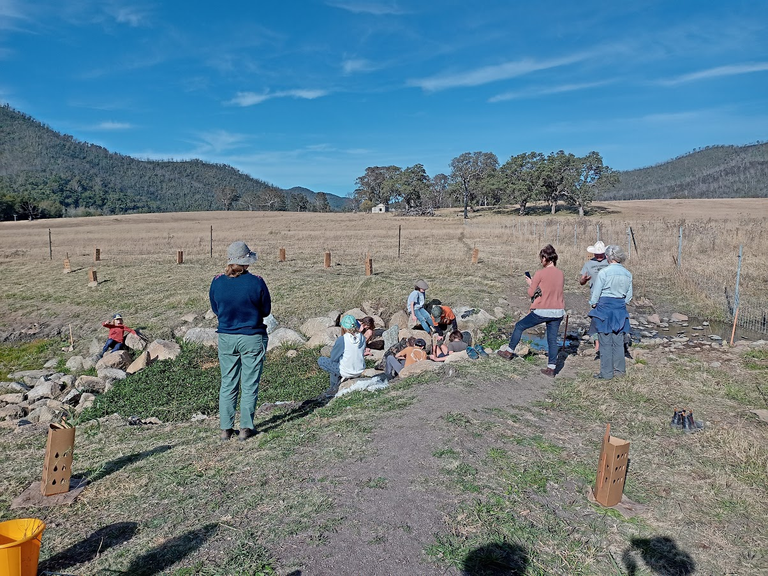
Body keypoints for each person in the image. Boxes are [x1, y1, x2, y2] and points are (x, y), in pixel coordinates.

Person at [209, 241, 271, 442]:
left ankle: (226, 429)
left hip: (227, 336)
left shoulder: (217, 282)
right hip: (252, 336)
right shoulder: (257, 282)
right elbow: (266, 310)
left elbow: (216, 308)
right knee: (250, 382)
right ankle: (245, 428)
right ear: (246, 261)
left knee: (228, 382)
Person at [497, 244, 565, 378]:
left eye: (541, 258)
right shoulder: (561, 273)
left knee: (519, 326)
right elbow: (551, 289)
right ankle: (551, 368)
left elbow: (531, 293)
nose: (541, 261)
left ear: (545, 258)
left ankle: (509, 352)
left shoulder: (540, 273)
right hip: (558, 311)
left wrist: (531, 283)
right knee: (552, 339)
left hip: (543, 310)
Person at [589, 245, 633, 380]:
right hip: (620, 308)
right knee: (619, 341)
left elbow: (596, 293)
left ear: (608, 257)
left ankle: (606, 373)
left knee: (605, 341)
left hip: (604, 308)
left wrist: (593, 304)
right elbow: (629, 297)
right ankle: (620, 372)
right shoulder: (627, 273)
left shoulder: (604, 272)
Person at [318, 314, 367, 397]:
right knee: (337, 364)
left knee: (322, 360)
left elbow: (333, 357)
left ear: (344, 327)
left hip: (346, 371)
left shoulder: (342, 339)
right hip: (359, 370)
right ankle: (335, 385)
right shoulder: (362, 337)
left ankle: (333, 387)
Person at [579, 241, 609, 359]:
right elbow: (581, 282)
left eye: (601, 254)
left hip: (608, 295)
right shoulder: (588, 264)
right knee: (595, 320)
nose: (599, 256)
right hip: (595, 296)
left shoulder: (610, 262)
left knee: (607, 319)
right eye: (597, 254)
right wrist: (584, 280)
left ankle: (607, 341)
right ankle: (597, 343)